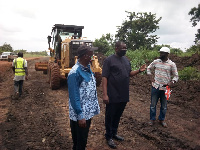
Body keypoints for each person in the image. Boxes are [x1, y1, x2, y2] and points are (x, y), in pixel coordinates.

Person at [102, 41, 146, 149]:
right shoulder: (109, 60)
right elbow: (104, 77)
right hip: (113, 93)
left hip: (123, 94)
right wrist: (105, 94)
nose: (125, 49)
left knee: (118, 115)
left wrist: (139, 70)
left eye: (126, 48)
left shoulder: (126, 60)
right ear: (116, 48)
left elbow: (129, 73)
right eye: (122, 48)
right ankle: (108, 136)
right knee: (110, 116)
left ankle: (114, 133)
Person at [67, 45, 100, 150]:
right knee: (80, 141)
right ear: (85, 56)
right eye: (91, 54)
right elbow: (74, 95)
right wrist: (80, 116)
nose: (93, 56)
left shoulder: (87, 69)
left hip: (87, 112)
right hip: (80, 114)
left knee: (82, 140)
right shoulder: (74, 72)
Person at [147, 47, 179, 127]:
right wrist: (151, 77)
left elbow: (176, 76)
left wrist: (172, 82)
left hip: (165, 88)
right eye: (160, 52)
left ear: (167, 54)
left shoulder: (172, 64)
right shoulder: (156, 62)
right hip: (156, 86)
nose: (160, 54)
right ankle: (152, 119)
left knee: (164, 106)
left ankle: (162, 119)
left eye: (162, 53)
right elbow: (148, 68)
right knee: (153, 104)